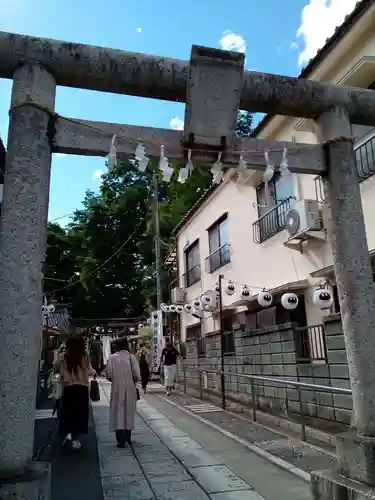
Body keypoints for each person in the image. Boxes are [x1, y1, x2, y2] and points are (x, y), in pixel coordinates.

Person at [53, 336, 95, 450]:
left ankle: (67, 434)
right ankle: (75, 440)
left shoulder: (64, 356)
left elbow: (56, 368)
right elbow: (90, 371)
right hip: (82, 389)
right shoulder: (85, 357)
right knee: (80, 415)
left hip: (68, 388)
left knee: (67, 412)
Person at [106, 336, 141, 448]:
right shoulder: (132, 357)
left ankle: (120, 439)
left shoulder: (111, 358)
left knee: (118, 411)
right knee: (128, 410)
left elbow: (109, 375)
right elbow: (137, 375)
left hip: (117, 386)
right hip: (130, 386)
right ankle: (128, 437)